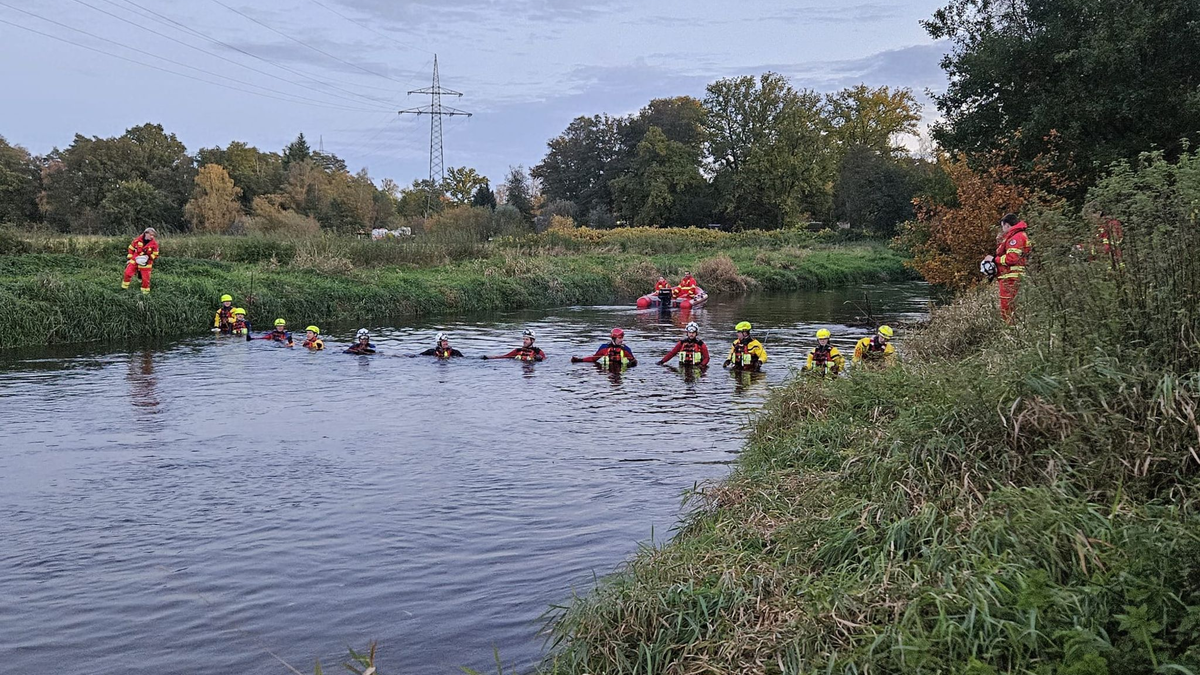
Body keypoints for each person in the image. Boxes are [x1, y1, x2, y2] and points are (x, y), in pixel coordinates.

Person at [981, 213, 1030, 323]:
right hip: (1011, 277)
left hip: (1010, 278)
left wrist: (994, 260)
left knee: (1007, 307)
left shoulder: (1016, 237)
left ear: (1007, 225)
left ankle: (1011, 330)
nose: (1002, 230)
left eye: (1003, 227)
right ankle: (1014, 329)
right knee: (1011, 307)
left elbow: (1011, 259)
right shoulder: (1018, 235)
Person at [572, 328, 638, 367]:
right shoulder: (604, 348)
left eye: (622, 338)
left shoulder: (625, 349)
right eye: (620, 338)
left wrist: (630, 365)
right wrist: (579, 360)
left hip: (620, 371)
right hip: (607, 372)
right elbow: (593, 359)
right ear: (614, 338)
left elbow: (634, 362)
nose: (622, 340)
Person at [122, 227, 159, 295]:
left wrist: (149, 257)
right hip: (135, 260)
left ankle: (145, 293)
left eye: (153, 235)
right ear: (146, 233)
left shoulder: (154, 244)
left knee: (145, 279)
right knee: (127, 273)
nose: (152, 237)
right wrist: (130, 258)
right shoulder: (137, 240)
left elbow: (156, 254)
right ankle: (124, 288)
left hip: (146, 263)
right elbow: (131, 248)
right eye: (151, 235)